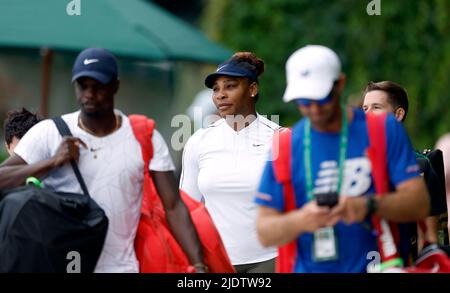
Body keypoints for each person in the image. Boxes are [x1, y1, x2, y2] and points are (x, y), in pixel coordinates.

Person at [0, 48, 205, 273]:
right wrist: (51, 162)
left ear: (115, 86)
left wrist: (198, 264)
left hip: (122, 268)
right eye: (83, 85)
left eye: (98, 86)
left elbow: (173, 205)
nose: (89, 93)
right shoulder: (50, 132)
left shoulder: (144, 138)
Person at [255, 45, 429, 273]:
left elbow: (419, 204)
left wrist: (368, 205)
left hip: (379, 265)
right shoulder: (285, 145)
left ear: (340, 84)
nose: (314, 109)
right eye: (304, 102)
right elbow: (264, 232)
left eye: (322, 98)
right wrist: (302, 220)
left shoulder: (383, 130)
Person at [180, 52, 279, 273]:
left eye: (230, 86)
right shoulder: (198, 141)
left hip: (271, 259)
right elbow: (187, 208)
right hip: (214, 260)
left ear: (252, 89)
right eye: (216, 89)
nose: (220, 95)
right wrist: (194, 260)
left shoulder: (280, 138)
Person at [362, 81, 447, 249]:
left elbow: (429, 241)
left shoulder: (421, 167)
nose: (367, 115)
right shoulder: (352, 163)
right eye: (365, 109)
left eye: (376, 107)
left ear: (398, 114)